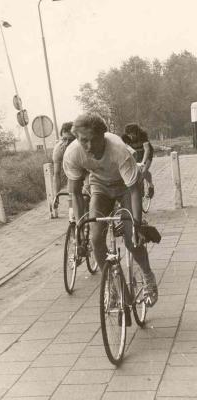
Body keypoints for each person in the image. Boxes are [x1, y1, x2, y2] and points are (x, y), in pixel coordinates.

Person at [63, 112, 158, 307]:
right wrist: (81, 230)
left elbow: (134, 191)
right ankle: (114, 287)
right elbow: (76, 194)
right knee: (96, 238)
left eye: (93, 140)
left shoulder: (118, 150)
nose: (88, 147)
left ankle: (148, 276)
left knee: (132, 238)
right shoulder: (73, 153)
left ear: (103, 136)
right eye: (83, 141)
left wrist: (136, 224)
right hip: (100, 185)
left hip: (126, 187)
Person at [122, 123, 154, 198]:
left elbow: (147, 149)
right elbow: (124, 150)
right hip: (136, 153)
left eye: (132, 134)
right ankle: (140, 189)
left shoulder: (143, 135)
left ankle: (151, 185)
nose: (131, 137)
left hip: (146, 153)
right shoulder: (124, 137)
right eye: (129, 134)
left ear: (136, 132)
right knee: (136, 172)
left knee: (143, 171)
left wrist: (143, 162)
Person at [52, 122, 75, 197]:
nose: (67, 143)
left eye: (71, 140)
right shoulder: (59, 149)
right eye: (64, 139)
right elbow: (57, 174)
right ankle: (72, 208)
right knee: (71, 195)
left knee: (86, 196)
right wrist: (56, 195)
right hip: (72, 172)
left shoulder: (83, 145)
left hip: (86, 169)